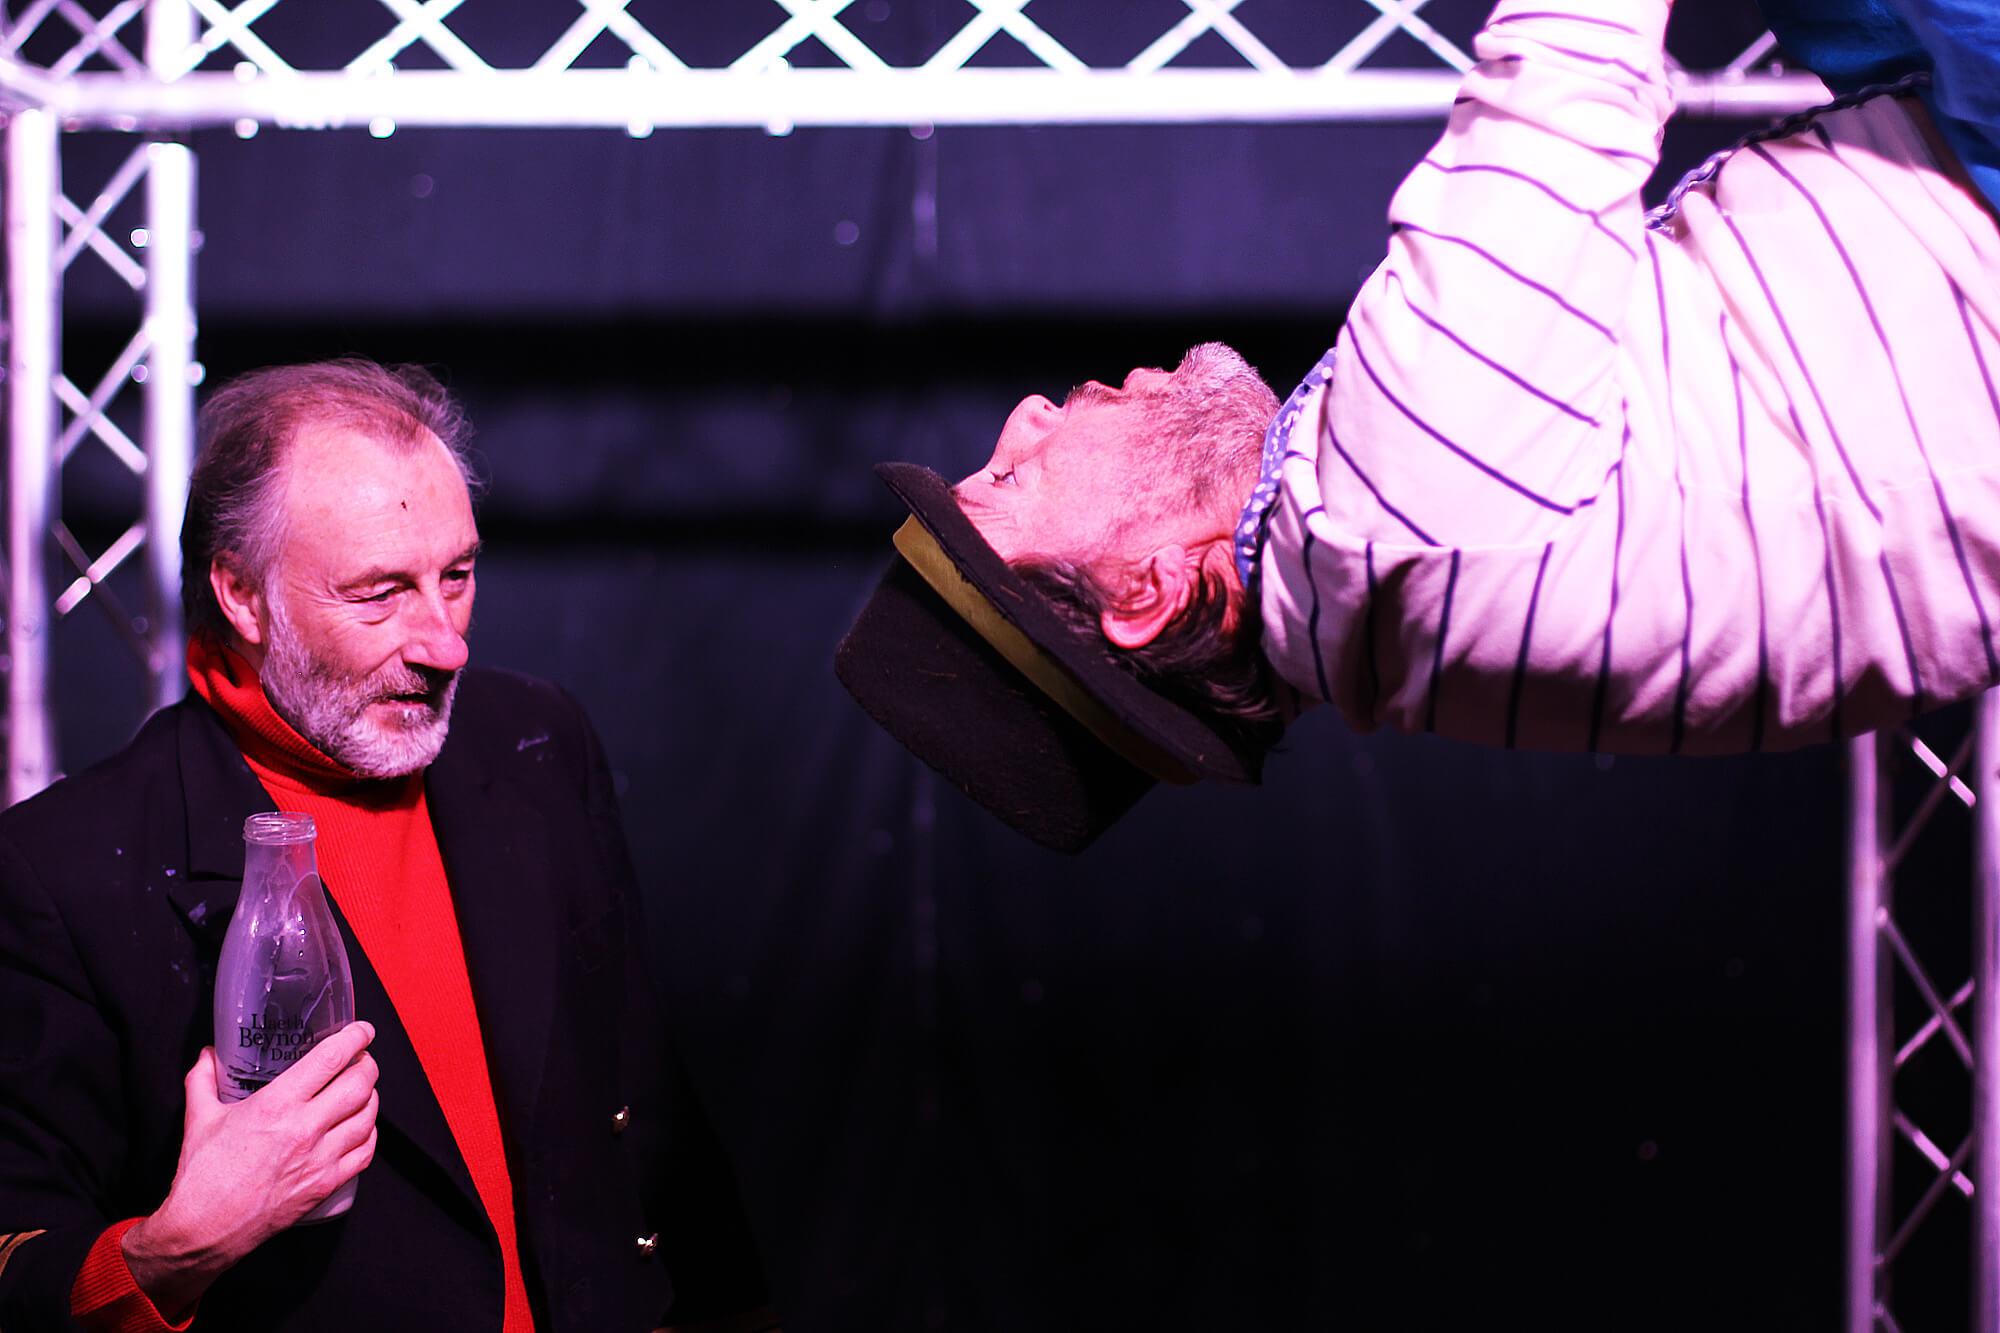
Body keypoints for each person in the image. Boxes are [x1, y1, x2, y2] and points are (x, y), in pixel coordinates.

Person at [838, 0, 2000, 849]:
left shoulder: (1387, 614)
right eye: (1008, 478)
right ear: (1142, 595)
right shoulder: (1393, 511)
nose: (1031, 413)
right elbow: (1572, 52)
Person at [0, 360, 776, 1332]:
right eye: (380, 593)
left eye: (456, 576)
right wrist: (175, 1249)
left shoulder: (534, 742)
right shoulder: (64, 869)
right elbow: (16, 1267)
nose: (443, 641)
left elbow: (642, 1100)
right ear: (241, 596)